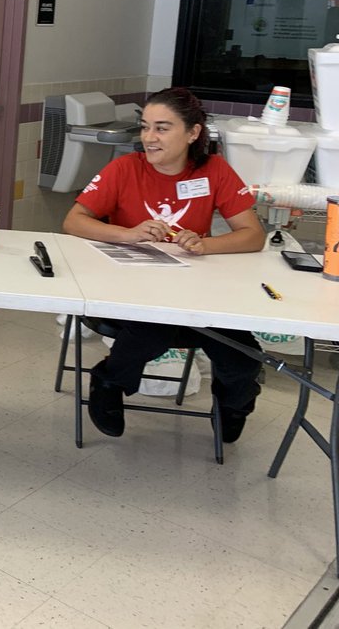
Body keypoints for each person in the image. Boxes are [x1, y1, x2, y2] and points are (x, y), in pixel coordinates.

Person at [62, 87, 266, 443]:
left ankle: (234, 405)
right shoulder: (124, 168)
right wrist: (128, 233)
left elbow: (253, 235)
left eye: (161, 128)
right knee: (152, 332)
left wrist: (206, 245)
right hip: (130, 288)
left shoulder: (214, 171)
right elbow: (74, 221)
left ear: (193, 133)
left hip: (192, 291)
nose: (149, 138)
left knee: (242, 353)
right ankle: (108, 381)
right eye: (144, 127)